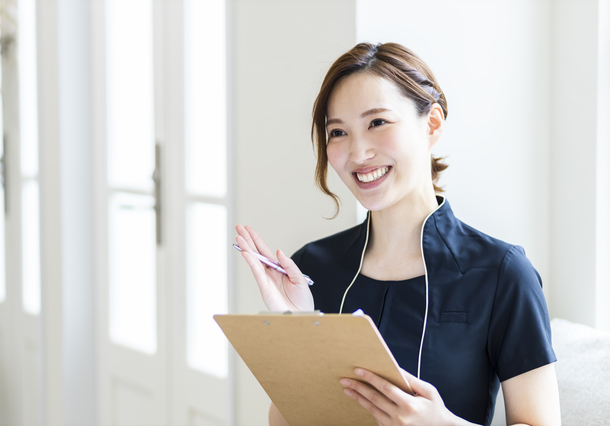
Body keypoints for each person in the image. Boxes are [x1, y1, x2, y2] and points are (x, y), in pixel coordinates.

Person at [235, 42, 560, 426]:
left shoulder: (502, 274)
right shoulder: (310, 269)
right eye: (338, 132)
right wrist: (298, 329)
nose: (357, 154)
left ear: (432, 124)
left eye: (377, 122)